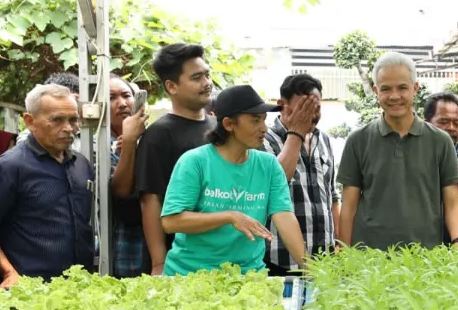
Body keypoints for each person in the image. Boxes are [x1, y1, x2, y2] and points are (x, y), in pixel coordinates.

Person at [161, 85, 305, 276]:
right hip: (189, 276)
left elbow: (284, 217)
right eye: (255, 121)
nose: (263, 128)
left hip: (249, 276)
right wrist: (230, 216)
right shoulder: (195, 161)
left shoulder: (268, 164)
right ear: (229, 124)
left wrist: (310, 269)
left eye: (263, 120)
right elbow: (171, 222)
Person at [337, 52, 458, 249]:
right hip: (368, 261)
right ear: (375, 91)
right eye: (386, 89)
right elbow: (349, 206)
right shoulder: (358, 140)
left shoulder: (441, 141)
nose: (394, 96)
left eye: (402, 88)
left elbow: (452, 202)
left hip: (425, 259)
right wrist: (344, 251)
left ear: (415, 88)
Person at [0, 84, 94, 287]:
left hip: (78, 287)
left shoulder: (81, 164)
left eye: (73, 119)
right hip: (28, 291)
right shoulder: (9, 167)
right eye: (57, 120)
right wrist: (8, 272)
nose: (69, 128)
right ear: (30, 121)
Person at [136, 43, 216, 275]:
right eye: (197, 77)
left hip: (216, 254)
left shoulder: (219, 127)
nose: (207, 83)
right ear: (171, 86)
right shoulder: (158, 134)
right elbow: (150, 200)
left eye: (207, 75)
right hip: (178, 262)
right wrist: (159, 264)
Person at [263, 73, 340, 276]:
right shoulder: (264, 140)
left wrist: (338, 242)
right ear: (282, 104)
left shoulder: (323, 139)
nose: (310, 116)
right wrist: (296, 133)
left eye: (315, 109)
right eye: (303, 109)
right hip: (280, 259)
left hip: (325, 259)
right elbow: (277, 183)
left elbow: (332, 196)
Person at [108, 75, 148, 278]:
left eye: (126, 95)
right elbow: (121, 190)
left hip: (146, 245)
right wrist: (129, 147)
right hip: (113, 247)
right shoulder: (92, 142)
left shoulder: (150, 138)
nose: (122, 103)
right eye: (112, 97)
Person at [423, 92, 458, 197]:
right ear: (426, 123)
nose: (451, 128)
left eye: (457, 123)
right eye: (444, 122)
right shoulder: (410, 159)